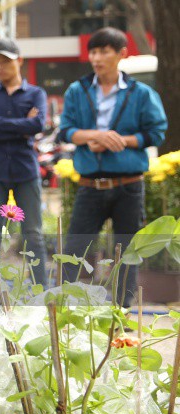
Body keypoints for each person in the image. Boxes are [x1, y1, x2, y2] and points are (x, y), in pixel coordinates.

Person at [59, 27, 167, 305]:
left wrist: (122, 140)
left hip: (129, 186)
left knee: (127, 253)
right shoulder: (77, 90)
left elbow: (156, 132)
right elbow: (66, 130)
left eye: (104, 51)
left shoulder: (141, 93)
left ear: (121, 54)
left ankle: (121, 315)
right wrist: (94, 136)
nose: (96, 57)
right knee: (74, 250)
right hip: (89, 186)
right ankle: (59, 312)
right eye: (93, 51)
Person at [0, 38, 48, 288]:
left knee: (33, 233)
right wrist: (20, 126)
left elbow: (38, 125)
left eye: (5, 61)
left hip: (26, 170)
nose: (0, 67)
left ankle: (40, 288)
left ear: (19, 61)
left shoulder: (36, 94)